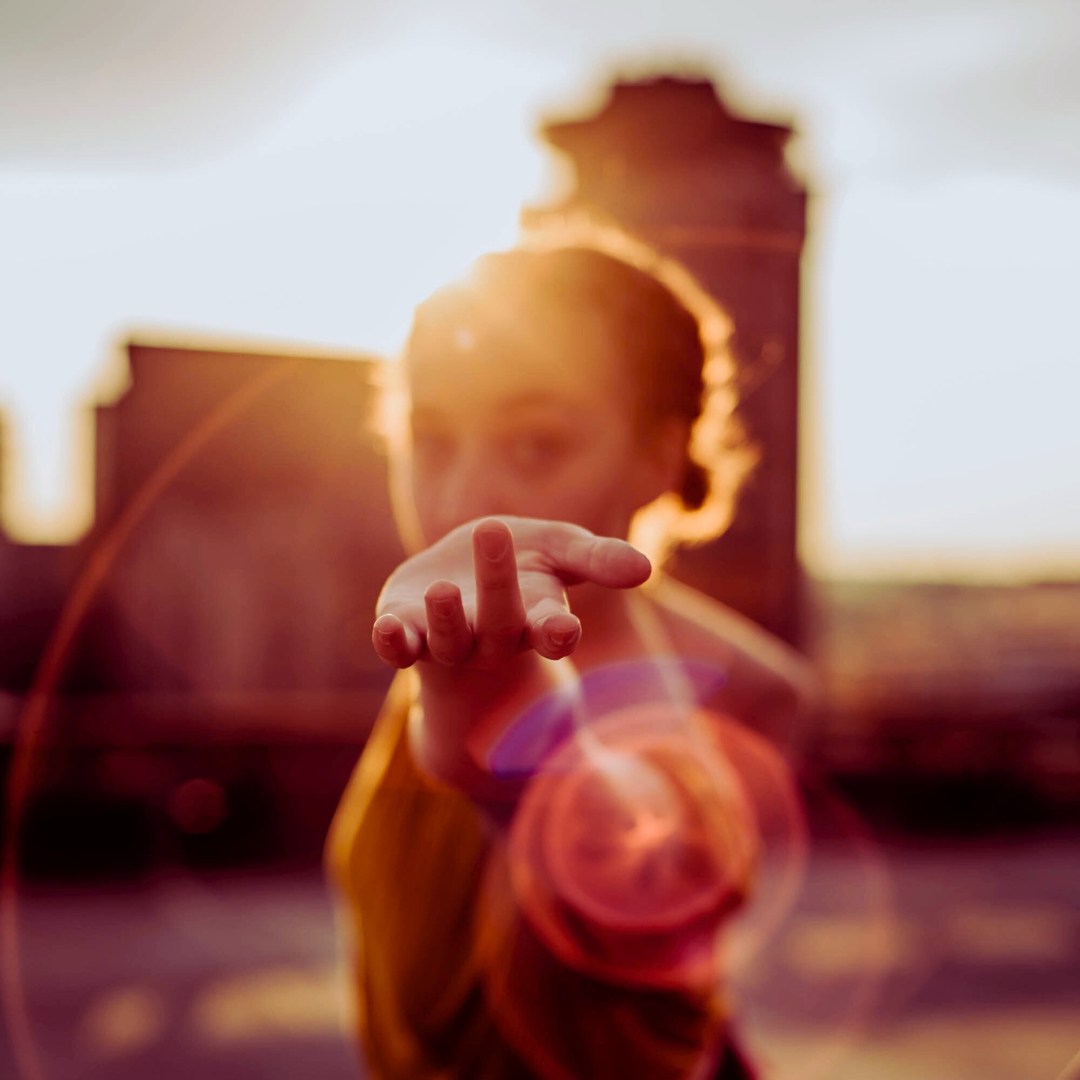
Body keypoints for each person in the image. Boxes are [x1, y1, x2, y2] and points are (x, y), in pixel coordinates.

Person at [325, 222, 815, 1080]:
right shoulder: (447, 627)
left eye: (537, 443)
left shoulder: (736, 691)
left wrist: (504, 748)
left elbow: (641, 949)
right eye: (432, 439)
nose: (467, 496)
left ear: (658, 456)